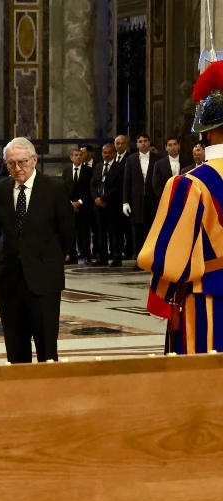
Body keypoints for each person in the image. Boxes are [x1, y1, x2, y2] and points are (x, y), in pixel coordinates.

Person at [139, 62, 223, 354]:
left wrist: (161, 295)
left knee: (202, 374)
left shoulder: (190, 184)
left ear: (206, 133)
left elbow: (168, 256)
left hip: (206, 296)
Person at [0, 137, 74, 363]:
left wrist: (49, 259)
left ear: (34, 160)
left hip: (44, 279)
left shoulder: (54, 187)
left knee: (47, 348)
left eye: (22, 162)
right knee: (15, 349)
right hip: (10, 279)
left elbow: (67, 231)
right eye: (11, 163)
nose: (17, 168)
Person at [122, 133, 158, 261]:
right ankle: (138, 258)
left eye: (145, 141)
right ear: (137, 144)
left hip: (152, 200)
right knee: (136, 231)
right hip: (136, 201)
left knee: (152, 230)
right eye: (140, 141)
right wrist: (125, 201)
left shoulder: (157, 159)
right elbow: (127, 181)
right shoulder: (130, 159)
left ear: (149, 142)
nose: (143, 143)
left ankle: (151, 258)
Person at [90, 143, 124, 267]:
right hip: (99, 206)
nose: (107, 155)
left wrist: (103, 198)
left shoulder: (120, 167)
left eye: (109, 152)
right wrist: (96, 198)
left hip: (113, 205)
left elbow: (118, 186)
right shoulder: (98, 166)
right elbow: (92, 184)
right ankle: (102, 257)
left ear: (114, 153)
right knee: (100, 232)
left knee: (115, 232)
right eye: (105, 153)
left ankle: (116, 257)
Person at [63, 148, 94, 265]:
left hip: (84, 206)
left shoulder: (89, 171)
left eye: (80, 155)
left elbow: (90, 189)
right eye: (75, 155)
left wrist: (79, 202)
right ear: (71, 157)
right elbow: (63, 189)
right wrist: (70, 203)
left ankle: (86, 256)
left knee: (85, 232)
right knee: (71, 233)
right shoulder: (66, 171)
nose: (78, 157)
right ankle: (72, 256)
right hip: (70, 208)